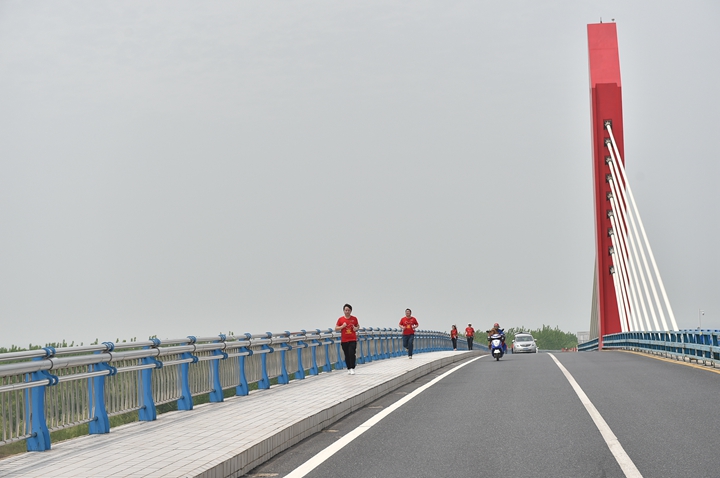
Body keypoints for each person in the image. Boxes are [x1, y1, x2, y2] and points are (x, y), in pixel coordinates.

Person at [335, 304, 359, 374]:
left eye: (348, 310)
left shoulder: (354, 319)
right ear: (343, 311)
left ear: (351, 311)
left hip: (352, 339)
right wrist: (342, 326)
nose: (347, 311)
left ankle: (352, 368)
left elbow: (357, 326)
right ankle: (349, 368)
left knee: (352, 353)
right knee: (347, 354)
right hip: (344, 340)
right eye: (346, 310)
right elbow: (336, 328)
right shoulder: (340, 319)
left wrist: (356, 328)